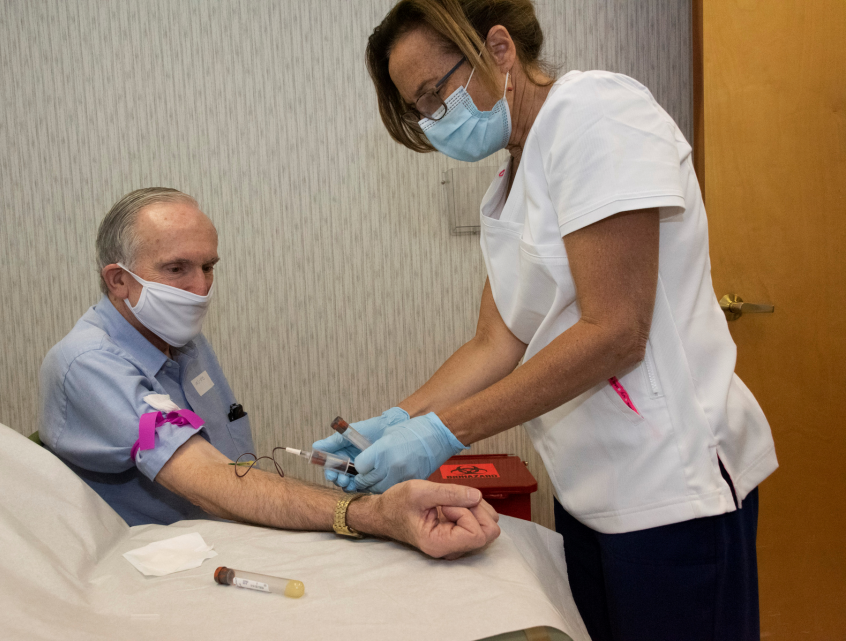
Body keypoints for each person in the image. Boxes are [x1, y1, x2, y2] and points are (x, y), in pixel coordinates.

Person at [313, 1, 777, 638]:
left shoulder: (596, 113)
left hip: (672, 489)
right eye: (419, 110)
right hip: (592, 492)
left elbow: (615, 332)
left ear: (498, 50)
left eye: (433, 94)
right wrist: (396, 422)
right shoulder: (509, 180)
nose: (432, 120)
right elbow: (495, 341)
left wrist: (441, 434)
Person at [39, 187, 499, 560]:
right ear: (118, 280)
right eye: (177, 269)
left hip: (230, 541)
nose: (200, 289)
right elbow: (210, 479)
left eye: (208, 267)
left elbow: (232, 462)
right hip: (157, 568)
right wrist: (369, 513)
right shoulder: (90, 365)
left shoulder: (179, 337)